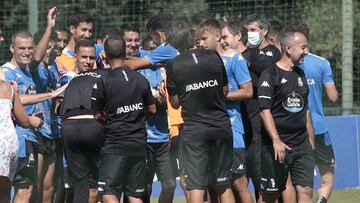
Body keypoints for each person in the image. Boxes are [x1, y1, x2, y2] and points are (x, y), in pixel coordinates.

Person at [166, 19, 235, 203]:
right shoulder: (214, 56)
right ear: (192, 37)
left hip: (195, 132)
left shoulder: (173, 65)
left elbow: (174, 103)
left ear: (173, 43)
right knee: (223, 184)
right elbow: (225, 90)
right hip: (221, 127)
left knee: (196, 185)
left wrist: (189, 91)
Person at [2, 7, 66, 203]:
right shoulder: (7, 71)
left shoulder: (31, 69)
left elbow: (38, 56)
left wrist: (49, 26)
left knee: (45, 188)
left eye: (30, 48)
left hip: (42, 131)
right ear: (12, 48)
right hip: (21, 136)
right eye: (22, 48)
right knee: (28, 189)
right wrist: (49, 94)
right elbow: (15, 99)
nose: (27, 52)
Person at [198, 18, 254, 203]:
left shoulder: (234, 58)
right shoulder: (201, 61)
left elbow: (248, 91)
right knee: (214, 185)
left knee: (239, 183)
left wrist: (222, 96)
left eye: (224, 37)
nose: (222, 41)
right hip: (209, 129)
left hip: (233, 128)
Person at [257, 27, 315, 203]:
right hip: (277, 146)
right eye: (303, 47)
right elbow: (264, 110)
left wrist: (310, 144)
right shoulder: (269, 74)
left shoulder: (300, 74)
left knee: (305, 190)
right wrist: (276, 140)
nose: (307, 51)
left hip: (301, 145)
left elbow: (304, 110)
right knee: (270, 194)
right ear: (289, 48)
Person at [96, 35, 156, 203]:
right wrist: (137, 119)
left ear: (105, 56)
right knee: (134, 195)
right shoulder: (141, 79)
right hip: (138, 144)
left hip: (115, 144)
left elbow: (97, 114)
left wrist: (112, 121)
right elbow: (152, 109)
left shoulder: (104, 81)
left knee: (108, 193)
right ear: (125, 53)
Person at [289, 22, 338, 203]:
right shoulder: (322, 63)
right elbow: (333, 97)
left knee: (297, 180)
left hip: (294, 129)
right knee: (327, 174)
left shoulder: (286, 63)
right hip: (318, 128)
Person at [60, 39, 107, 203]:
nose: (88, 61)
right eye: (84, 57)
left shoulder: (69, 77)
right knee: (97, 183)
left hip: (69, 128)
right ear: (75, 57)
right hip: (92, 127)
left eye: (91, 58)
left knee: (83, 186)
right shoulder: (68, 77)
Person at [0, 66, 39, 203]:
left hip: (6, 145)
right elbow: (24, 121)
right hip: (6, 146)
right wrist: (32, 120)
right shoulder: (9, 89)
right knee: (4, 192)